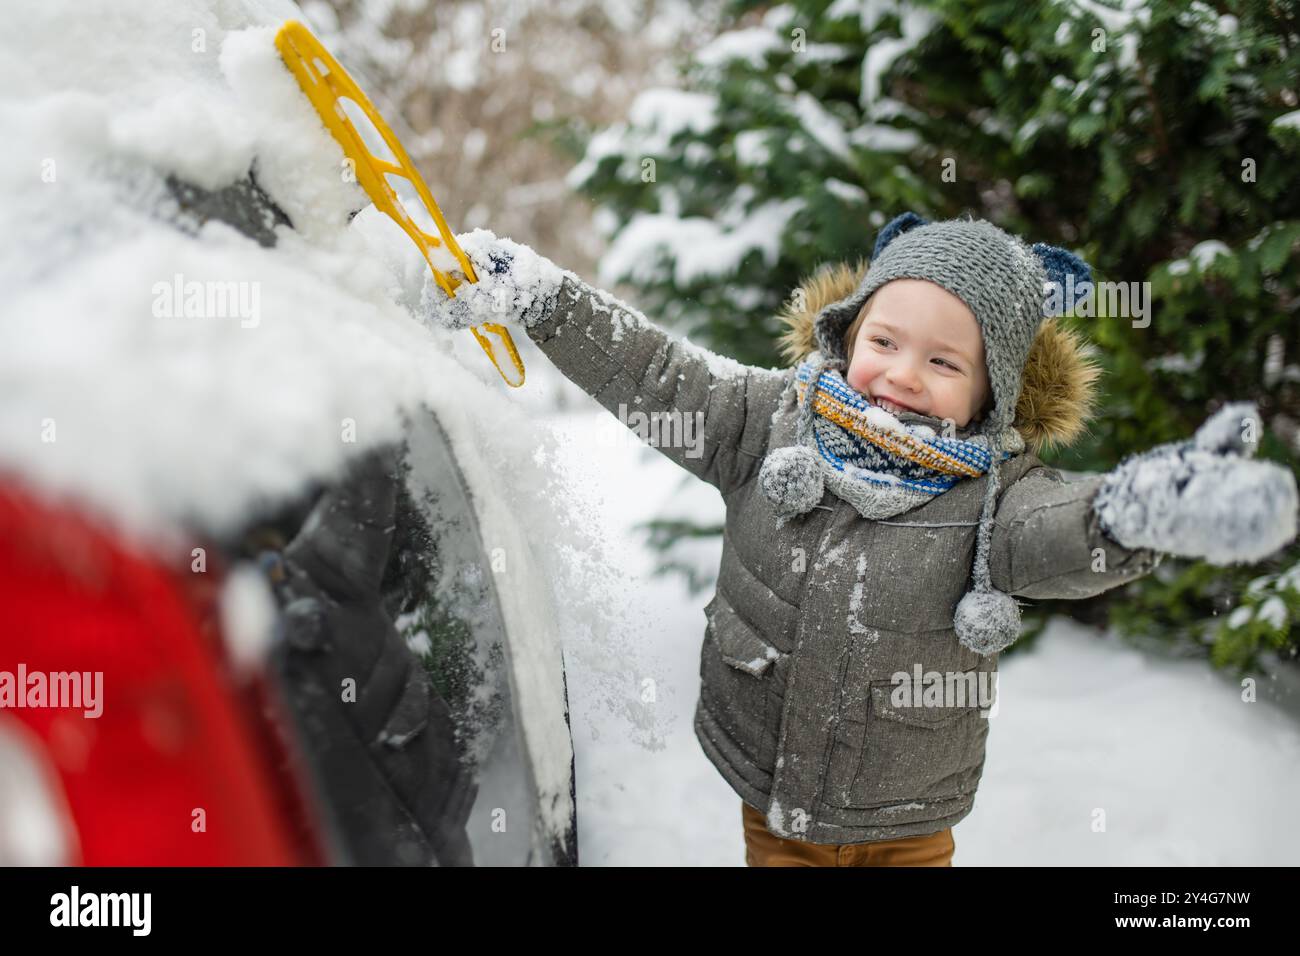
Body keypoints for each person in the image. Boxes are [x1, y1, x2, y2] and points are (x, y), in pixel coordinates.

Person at [416, 211, 1298, 866]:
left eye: (945, 363)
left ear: (989, 392)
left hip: (909, 820)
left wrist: (1139, 509)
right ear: (849, 332)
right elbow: (656, 373)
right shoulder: (767, 422)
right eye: (886, 340)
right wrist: (543, 299)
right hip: (772, 797)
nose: (903, 375)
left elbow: (1067, 533)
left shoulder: (996, 498)